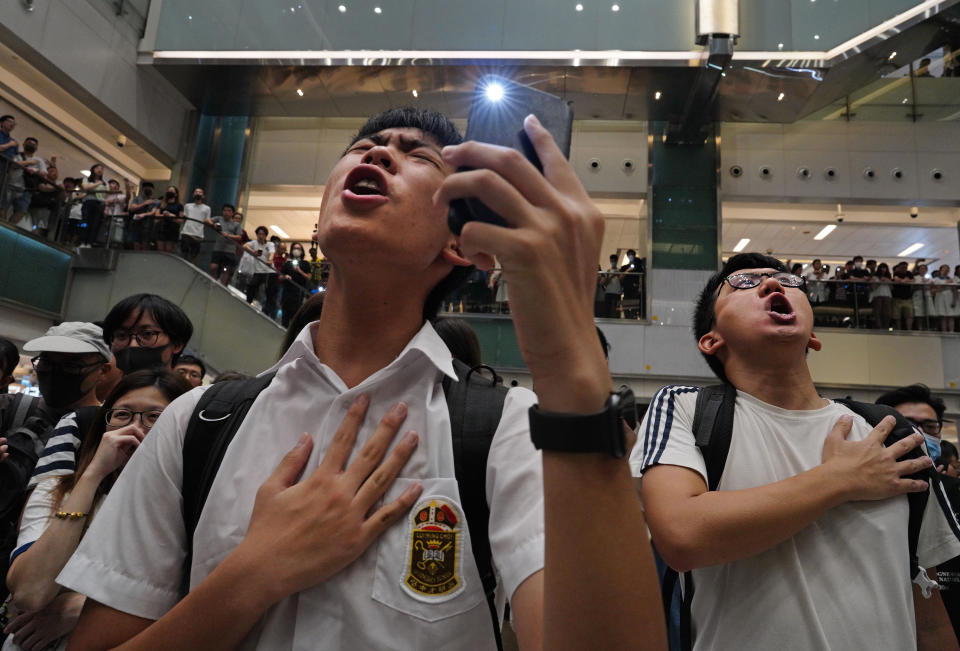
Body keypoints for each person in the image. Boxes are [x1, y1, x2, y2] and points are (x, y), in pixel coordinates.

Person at [61, 107, 665, 650]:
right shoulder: (198, 421)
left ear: (460, 242)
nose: (378, 152)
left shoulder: (506, 428)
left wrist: (572, 369)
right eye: (365, 146)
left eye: (417, 154)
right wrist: (253, 574)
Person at [631, 252, 960, 650]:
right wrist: (839, 479)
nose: (772, 285)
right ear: (711, 339)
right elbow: (682, 535)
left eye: (786, 280)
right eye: (744, 284)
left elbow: (927, 613)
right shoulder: (685, 408)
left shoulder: (887, 432)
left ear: (814, 336)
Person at [3, 369, 190, 651]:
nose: (136, 429)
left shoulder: (189, 506)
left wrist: (83, 605)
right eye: (123, 415)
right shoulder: (58, 490)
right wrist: (91, 477)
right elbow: (31, 592)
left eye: (155, 417)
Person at [0, 323, 112, 599]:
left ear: (104, 370)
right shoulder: (9, 408)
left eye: (72, 366)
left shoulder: (106, 431)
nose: (55, 373)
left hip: (45, 573)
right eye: (47, 362)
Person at [241, 226, 276, 308]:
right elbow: (244, 246)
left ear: (265, 235)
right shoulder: (254, 243)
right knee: (252, 287)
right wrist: (253, 252)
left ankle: (267, 309)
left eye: (263, 234)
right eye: (259, 234)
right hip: (258, 271)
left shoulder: (270, 244)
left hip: (268, 271)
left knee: (268, 291)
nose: (261, 236)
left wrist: (270, 260)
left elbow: (272, 253)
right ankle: (248, 304)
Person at [208, 204, 244, 285]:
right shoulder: (218, 219)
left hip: (229, 251)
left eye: (229, 211)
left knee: (226, 269)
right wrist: (213, 224)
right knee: (213, 267)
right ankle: (212, 282)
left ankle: (222, 286)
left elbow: (239, 237)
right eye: (224, 210)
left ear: (232, 213)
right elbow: (207, 220)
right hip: (218, 249)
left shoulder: (236, 225)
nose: (226, 212)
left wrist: (228, 235)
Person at [278, 242, 311, 327]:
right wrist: (285, 276)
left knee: (296, 317)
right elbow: (279, 277)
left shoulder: (305, 263)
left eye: (298, 248)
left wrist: (299, 271)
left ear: (302, 251)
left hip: (299, 294)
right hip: (287, 293)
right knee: (285, 316)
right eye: (294, 248)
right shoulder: (287, 263)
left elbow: (308, 277)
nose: (296, 250)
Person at [178, 188, 210, 263]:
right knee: (184, 254)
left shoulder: (207, 208)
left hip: (198, 235)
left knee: (194, 256)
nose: (198, 193)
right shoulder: (187, 206)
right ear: (193, 194)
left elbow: (207, 220)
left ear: (203, 196)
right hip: (186, 232)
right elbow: (184, 218)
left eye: (200, 192)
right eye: (196, 192)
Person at [79, 165, 108, 247]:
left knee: (95, 224)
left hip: (99, 204)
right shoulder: (87, 179)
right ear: (93, 169)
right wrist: (98, 184)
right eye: (97, 168)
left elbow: (106, 195)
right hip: (88, 202)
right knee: (85, 222)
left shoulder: (105, 183)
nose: (100, 170)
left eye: (101, 168)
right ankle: (82, 241)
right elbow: (86, 188)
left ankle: (89, 243)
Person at [127, 183, 159, 251]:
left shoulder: (156, 201)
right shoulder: (137, 198)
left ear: (153, 190)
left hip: (148, 226)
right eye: (145, 187)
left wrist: (144, 214)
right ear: (142, 189)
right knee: (136, 245)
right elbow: (132, 208)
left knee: (145, 246)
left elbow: (153, 212)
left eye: (150, 188)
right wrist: (144, 203)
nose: (147, 189)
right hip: (136, 225)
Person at [933, 263, 958, 333]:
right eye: (944, 269)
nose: (946, 270)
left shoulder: (952, 279)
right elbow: (938, 288)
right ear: (940, 270)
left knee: (950, 315)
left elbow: (954, 290)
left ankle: (951, 331)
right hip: (940, 297)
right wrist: (946, 282)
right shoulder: (936, 279)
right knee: (943, 316)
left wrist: (954, 301)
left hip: (949, 297)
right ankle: (944, 331)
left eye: (947, 269)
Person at [620, 249, 643, 319]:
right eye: (629, 255)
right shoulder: (624, 267)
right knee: (626, 306)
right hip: (626, 289)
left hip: (635, 289)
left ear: (634, 255)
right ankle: (627, 318)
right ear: (627, 256)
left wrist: (640, 287)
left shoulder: (639, 267)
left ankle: (634, 317)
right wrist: (628, 270)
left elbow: (641, 277)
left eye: (632, 255)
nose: (631, 256)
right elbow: (620, 278)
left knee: (634, 307)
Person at [871, 261, 894, 329]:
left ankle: (886, 326)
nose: (883, 270)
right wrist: (879, 282)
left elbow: (892, 288)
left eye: (885, 268)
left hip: (887, 295)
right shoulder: (875, 277)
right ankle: (879, 326)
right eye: (882, 268)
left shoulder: (889, 277)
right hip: (878, 295)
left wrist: (888, 281)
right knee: (878, 312)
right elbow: (873, 287)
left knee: (887, 313)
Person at [893, 261, 915, 330]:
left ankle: (909, 330)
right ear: (899, 267)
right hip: (897, 298)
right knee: (897, 316)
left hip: (907, 298)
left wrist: (905, 281)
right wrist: (905, 280)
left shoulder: (909, 273)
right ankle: (899, 329)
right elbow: (897, 280)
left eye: (905, 267)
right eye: (902, 267)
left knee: (909, 315)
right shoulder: (896, 273)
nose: (904, 269)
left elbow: (913, 280)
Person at [603, 253, 622, 318]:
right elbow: (605, 283)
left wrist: (619, 275)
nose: (613, 262)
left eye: (614, 261)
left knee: (616, 309)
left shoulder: (620, 271)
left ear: (616, 261)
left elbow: (622, 281)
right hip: (608, 292)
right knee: (607, 310)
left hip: (617, 293)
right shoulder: (608, 271)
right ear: (610, 261)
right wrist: (612, 276)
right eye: (612, 261)